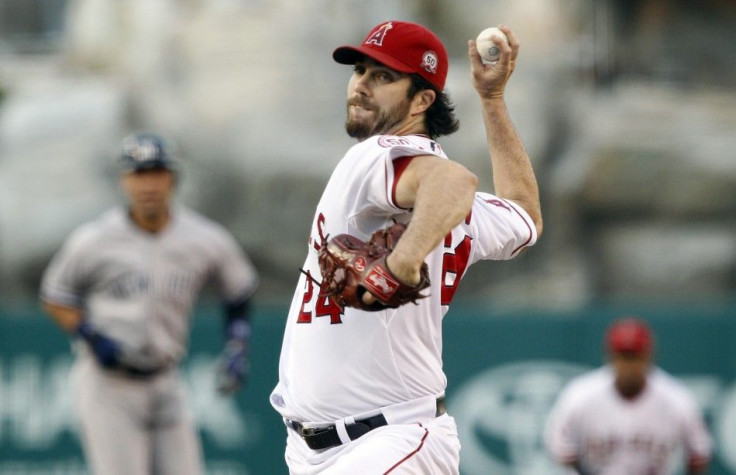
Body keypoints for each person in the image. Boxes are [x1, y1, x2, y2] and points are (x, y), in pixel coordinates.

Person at [269, 20, 542, 474]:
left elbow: (454, 179)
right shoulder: (452, 207)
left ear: (422, 100)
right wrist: (492, 101)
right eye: (360, 70)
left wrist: (402, 260)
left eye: (383, 77)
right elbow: (525, 216)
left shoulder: (377, 154)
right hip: (324, 447)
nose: (360, 86)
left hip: (387, 442)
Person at [39, 133, 259, 475]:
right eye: (139, 174)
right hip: (108, 385)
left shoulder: (204, 238)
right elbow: (56, 295)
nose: (148, 184)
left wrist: (237, 346)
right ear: (124, 181)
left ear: (172, 178)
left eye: (156, 172)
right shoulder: (95, 239)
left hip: (165, 378)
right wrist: (90, 335)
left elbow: (240, 289)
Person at [544, 317, 713, 474]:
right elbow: (561, 449)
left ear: (649, 356)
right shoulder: (579, 396)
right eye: (623, 357)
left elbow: (699, 454)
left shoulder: (677, 399)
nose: (629, 365)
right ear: (610, 356)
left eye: (635, 357)